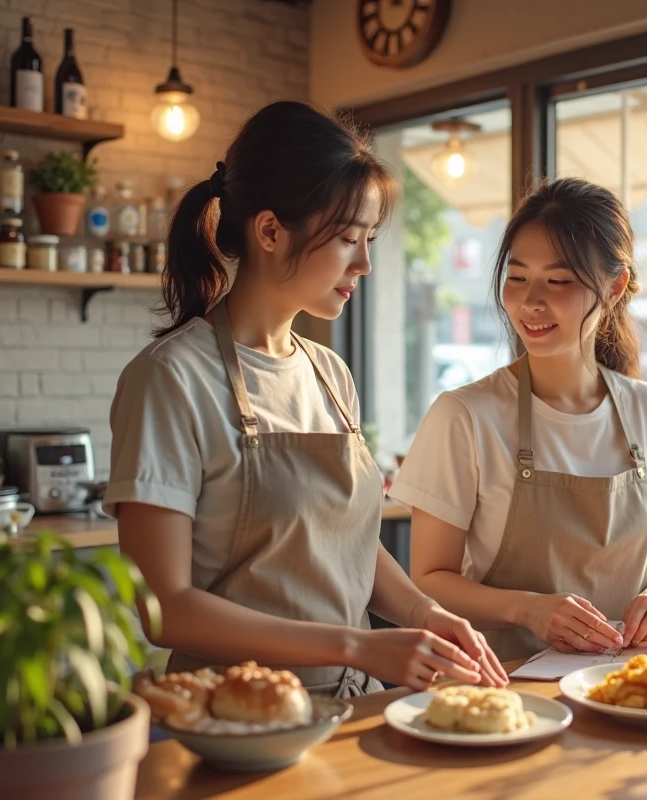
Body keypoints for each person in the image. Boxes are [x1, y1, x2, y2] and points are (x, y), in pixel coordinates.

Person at [103, 101, 506, 696]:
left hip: (352, 705)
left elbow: (345, 543)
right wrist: (359, 644)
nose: (365, 263)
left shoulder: (330, 375)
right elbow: (165, 608)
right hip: (235, 720)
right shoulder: (171, 380)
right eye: (348, 238)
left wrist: (425, 615)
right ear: (270, 230)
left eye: (368, 239)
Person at [389, 177, 647, 661]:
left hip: (625, 682)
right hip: (503, 688)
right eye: (517, 277)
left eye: (558, 281)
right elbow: (431, 579)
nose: (530, 301)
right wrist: (529, 611)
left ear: (614, 286)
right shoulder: (464, 416)